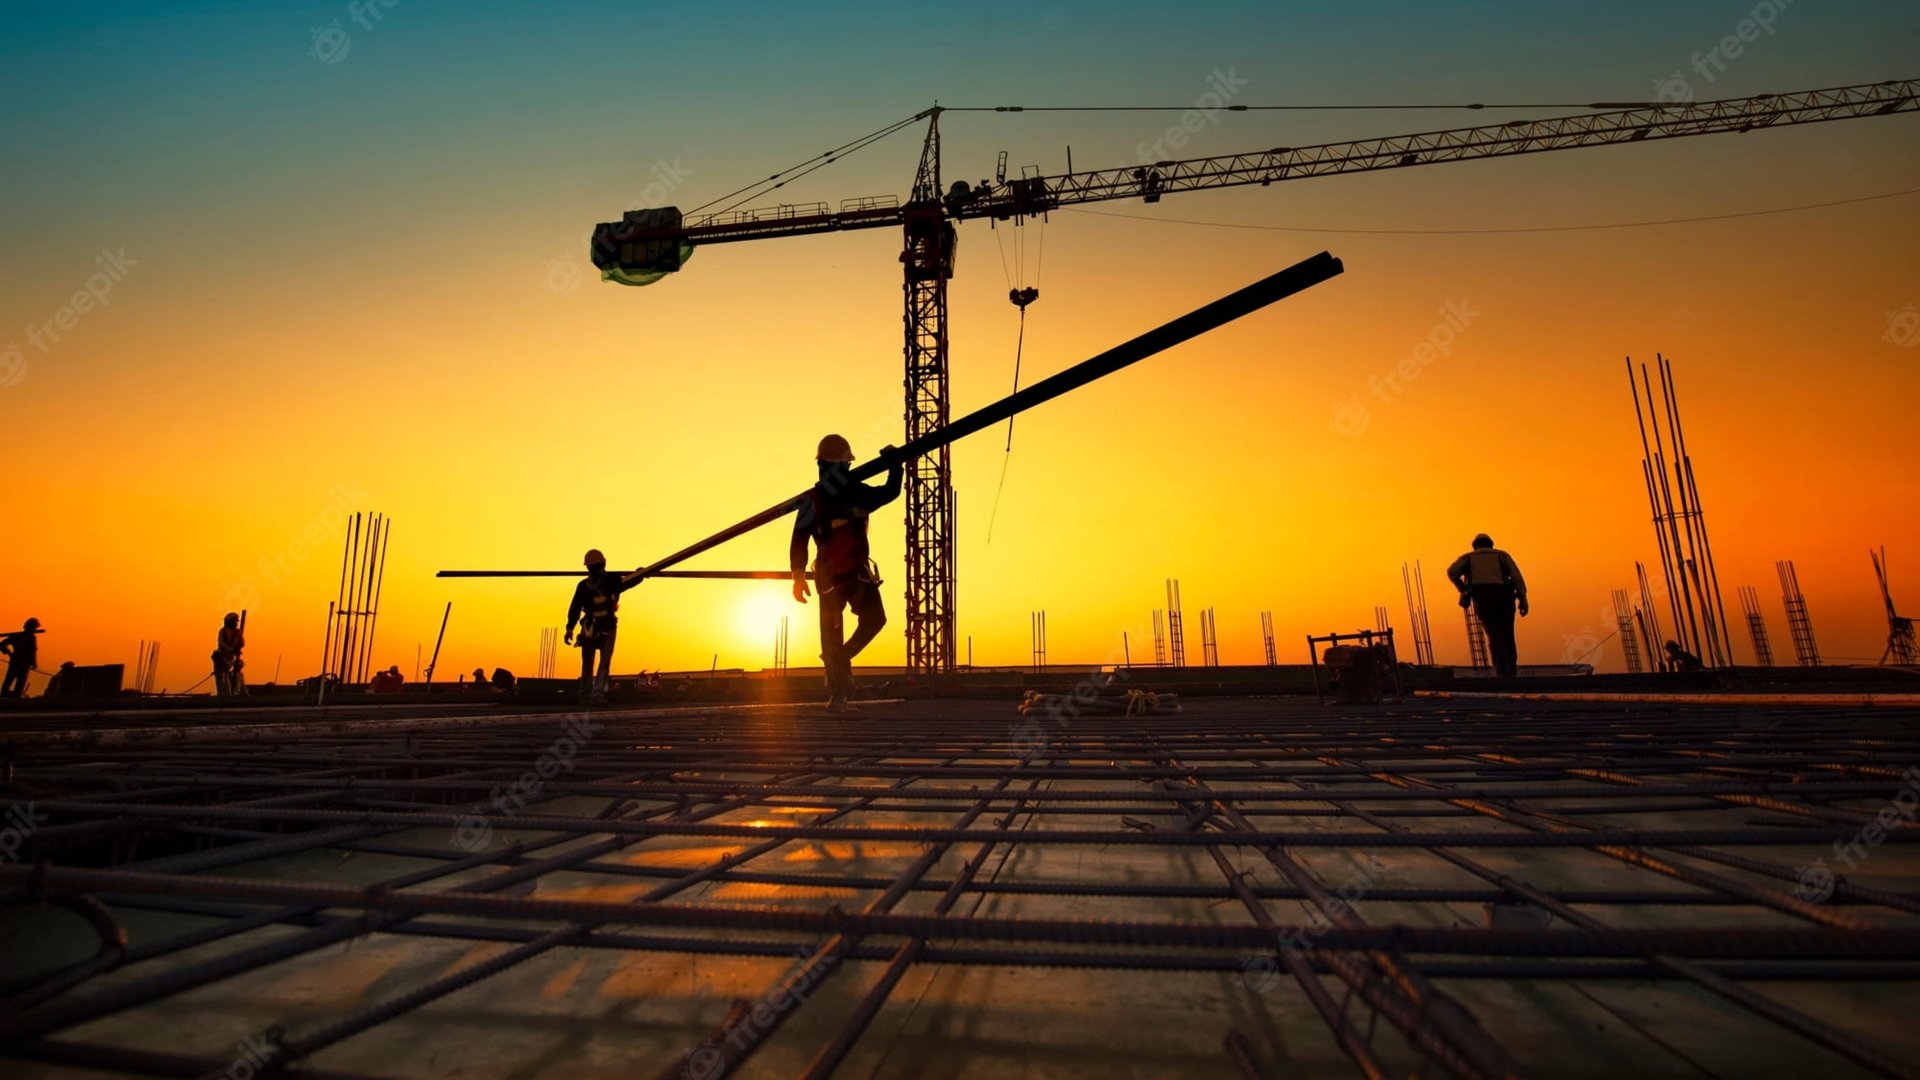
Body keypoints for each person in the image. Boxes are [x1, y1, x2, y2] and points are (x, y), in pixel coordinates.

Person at [790, 434, 903, 712]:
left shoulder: (849, 492)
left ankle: (838, 660)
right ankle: (838, 693)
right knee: (832, 634)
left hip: (853, 575)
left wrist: (895, 464)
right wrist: (797, 575)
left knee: (871, 621)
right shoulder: (814, 499)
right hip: (831, 578)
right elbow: (799, 539)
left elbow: (889, 492)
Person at [565, 550, 642, 704]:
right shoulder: (611, 581)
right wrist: (640, 574)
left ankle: (585, 694)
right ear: (604, 563)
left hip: (589, 628)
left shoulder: (585, 585)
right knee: (603, 661)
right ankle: (597, 694)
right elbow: (628, 582)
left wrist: (569, 629)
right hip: (605, 627)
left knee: (588, 664)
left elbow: (574, 607)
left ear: (588, 567)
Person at [1447, 534, 1528, 678]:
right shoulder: (1501, 556)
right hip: (1505, 598)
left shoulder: (1469, 558)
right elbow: (1517, 578)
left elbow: (1452, 571)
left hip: (1484, 599)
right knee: (1508, 635)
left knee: (1494, 635)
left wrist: (1463, 589)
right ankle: (1511, 672)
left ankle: (1502, 672)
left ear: (1475, 546)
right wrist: (1523, 599)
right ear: (1491, 545)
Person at [1, 618, 42, 698]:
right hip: (16, 661)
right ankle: (4, 695)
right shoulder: (17, 636)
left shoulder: (32, 637)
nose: (34, 629)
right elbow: (2, 644)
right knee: (10, 679)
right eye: (33, 627)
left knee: (20, 681)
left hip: (25, 663)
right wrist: (9, 654)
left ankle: (15, 696)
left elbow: (32, 651)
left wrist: (33, 663)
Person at [212, 612, 247, 698]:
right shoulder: (222, 631)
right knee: (221, 677)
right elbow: (222, 644)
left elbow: (242, 644)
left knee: (227, 676)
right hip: (221, 657)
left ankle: (228, 694)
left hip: (230, 657)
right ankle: (222, 695)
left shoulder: (238, 632)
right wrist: (230, 649)